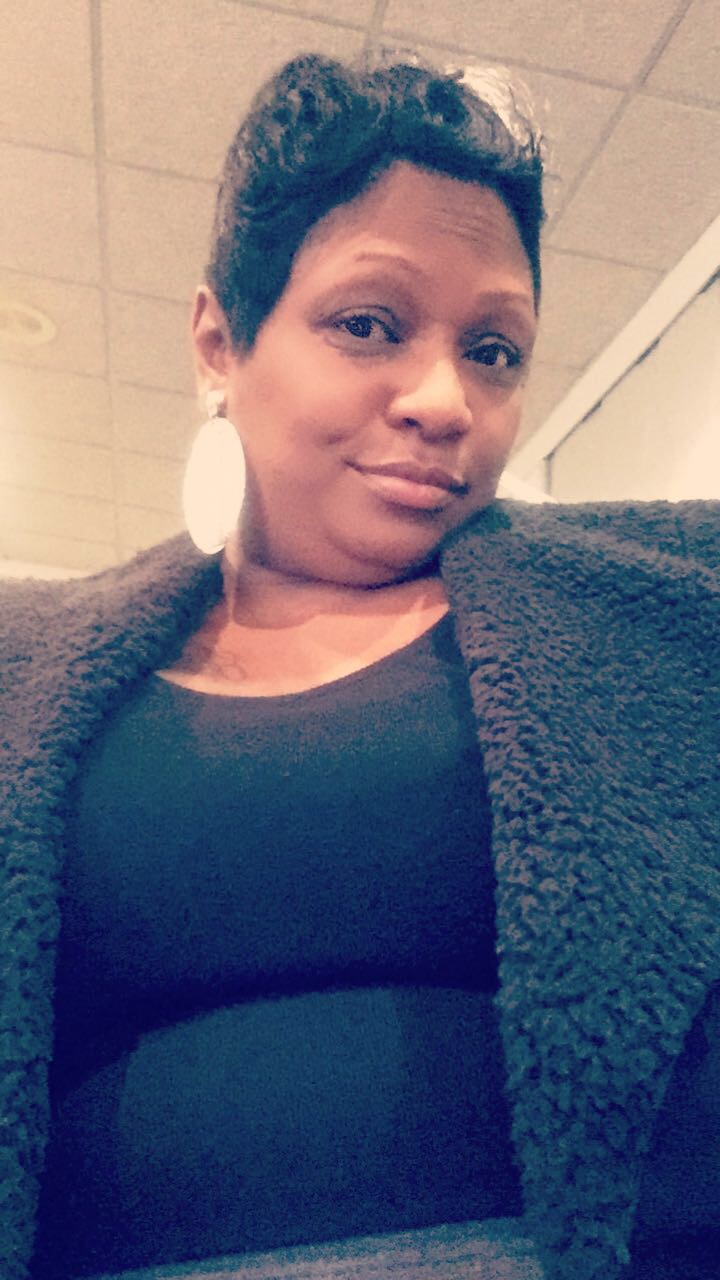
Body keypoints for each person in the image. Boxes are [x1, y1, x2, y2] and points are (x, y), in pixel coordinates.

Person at [0, 50, 718, 1280]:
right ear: (220, 341)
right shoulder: (29, 670)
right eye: (369, 324)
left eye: (494, 349)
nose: (446, 398)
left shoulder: (641, 612)